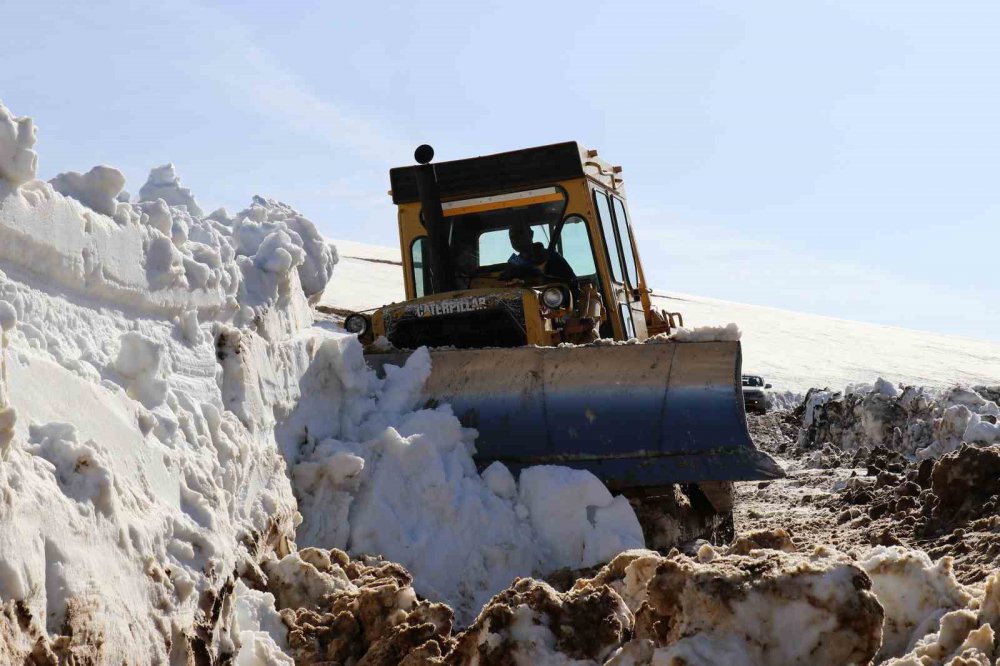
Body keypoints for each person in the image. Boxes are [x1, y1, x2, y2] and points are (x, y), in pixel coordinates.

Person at [503, 223, 575, 280]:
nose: (516, 240)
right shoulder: (513, 265)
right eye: (512, 237)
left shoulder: (552, 257)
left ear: (531, 234)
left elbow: (572, 282)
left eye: (520, 234)